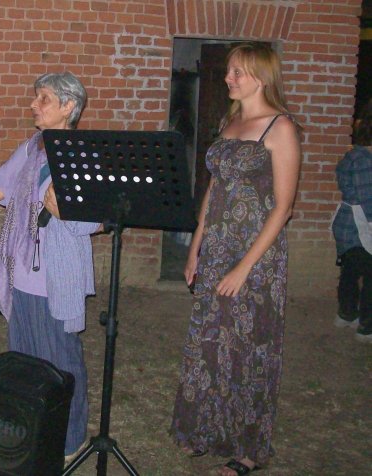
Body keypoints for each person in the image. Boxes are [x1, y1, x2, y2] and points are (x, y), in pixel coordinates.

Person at [0, 72, 101, 463]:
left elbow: (94, 220)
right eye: (35, 97)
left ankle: (72, 440)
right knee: (25, 362)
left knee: (61, 363)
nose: (33, 105)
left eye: (43, 99)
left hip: (55, 278)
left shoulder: (81, 153)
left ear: (68, 107)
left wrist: (68, 210)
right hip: (20, 272)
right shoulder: (31, 148)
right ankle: (35, 434)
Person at [170, 43, 302, 475]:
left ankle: (248, 450)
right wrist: (195, 247)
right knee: (210, 339)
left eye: (237, 72)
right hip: (218, 248)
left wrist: (244, 267)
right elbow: (214, 190)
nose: (229, 78)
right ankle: (204, 429)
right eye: (228, 71)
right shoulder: (231, 122)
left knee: (248, 347)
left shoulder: (279, 128)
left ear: (260, 77)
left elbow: (283, 207)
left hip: (256, 256)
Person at [331, 99, 372, 343]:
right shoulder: (365, 162)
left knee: (350, 271)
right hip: (360, 227)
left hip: (348, 226)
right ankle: (366, 326)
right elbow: (368, 201)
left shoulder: (354, 156)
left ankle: (346, 314)